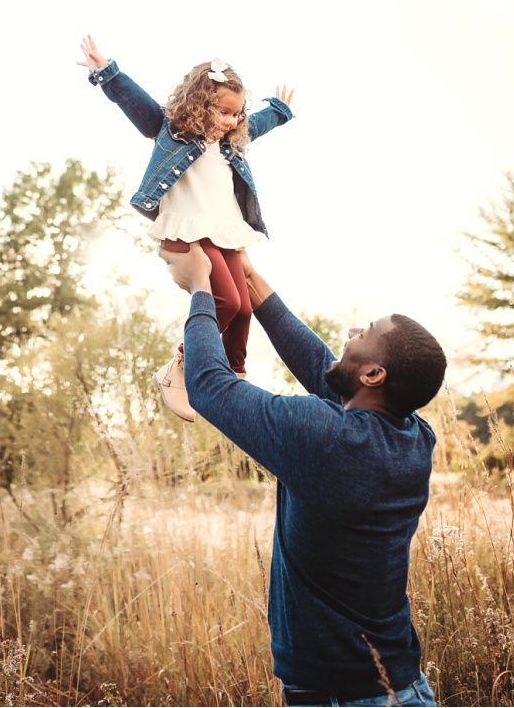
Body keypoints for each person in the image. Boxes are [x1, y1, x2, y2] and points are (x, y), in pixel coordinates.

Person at [159, 243, 446, 707]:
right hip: (397, 688)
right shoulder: (413, 436)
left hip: (345, 699)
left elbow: (209, 386)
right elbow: (324, 366)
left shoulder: (327, 439)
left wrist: (199, 288)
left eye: (365, 332)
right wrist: (249, 280)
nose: (352, 332)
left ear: (373, 374)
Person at [77, 34, 297, 420]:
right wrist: (107, 73)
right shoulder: (172, 130)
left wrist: (277, 110)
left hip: (225, 230)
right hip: (190, 232)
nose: (232, 120)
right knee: (226, 300)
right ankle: (179, 365)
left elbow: (258, 124)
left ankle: (234, 375)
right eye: (224, 112)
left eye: (237, 113)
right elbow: (137, 102)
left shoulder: (233, 140)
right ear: (200, 104)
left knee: (244, 308)